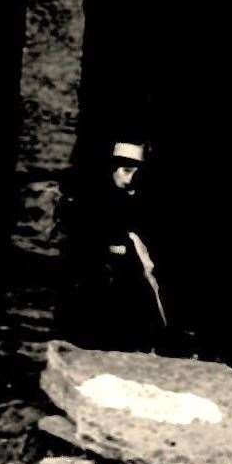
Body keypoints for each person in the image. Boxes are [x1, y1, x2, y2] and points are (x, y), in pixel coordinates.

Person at [67, 141, 166, 352]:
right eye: (126, 171)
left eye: (136, 173)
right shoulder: (92, 206)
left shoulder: (137, 204)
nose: (131, 179)